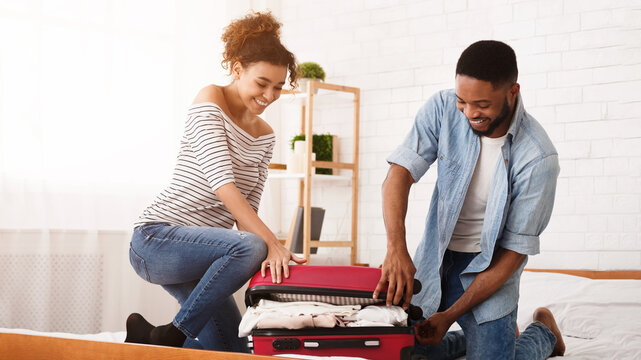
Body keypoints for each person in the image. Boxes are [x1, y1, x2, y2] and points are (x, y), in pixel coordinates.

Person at [124, 11, 305, 352]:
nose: (269, 95)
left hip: (204, 254)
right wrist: (271, 244)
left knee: (232, 350)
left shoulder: (265, 136)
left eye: (278, 87)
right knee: (252, 246)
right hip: (155, 239)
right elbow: (223, 186)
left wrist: (273, 256)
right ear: (237, 70)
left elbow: (246, 211)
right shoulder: (210, 100)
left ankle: (148, 342)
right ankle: (172, 335)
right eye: (262, 83)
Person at [374, 40, 565, 359]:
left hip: (489, 268)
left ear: (512, 92)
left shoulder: (538, 158)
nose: (470, 112)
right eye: (463, 101)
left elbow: (511, 258)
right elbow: (399, 174)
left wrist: (448, 316)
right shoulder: (444, 107)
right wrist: (396, 248)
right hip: (435, 256)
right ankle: (472, 337)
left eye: (482, 105)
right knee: (406, 353)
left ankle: (543, 332)